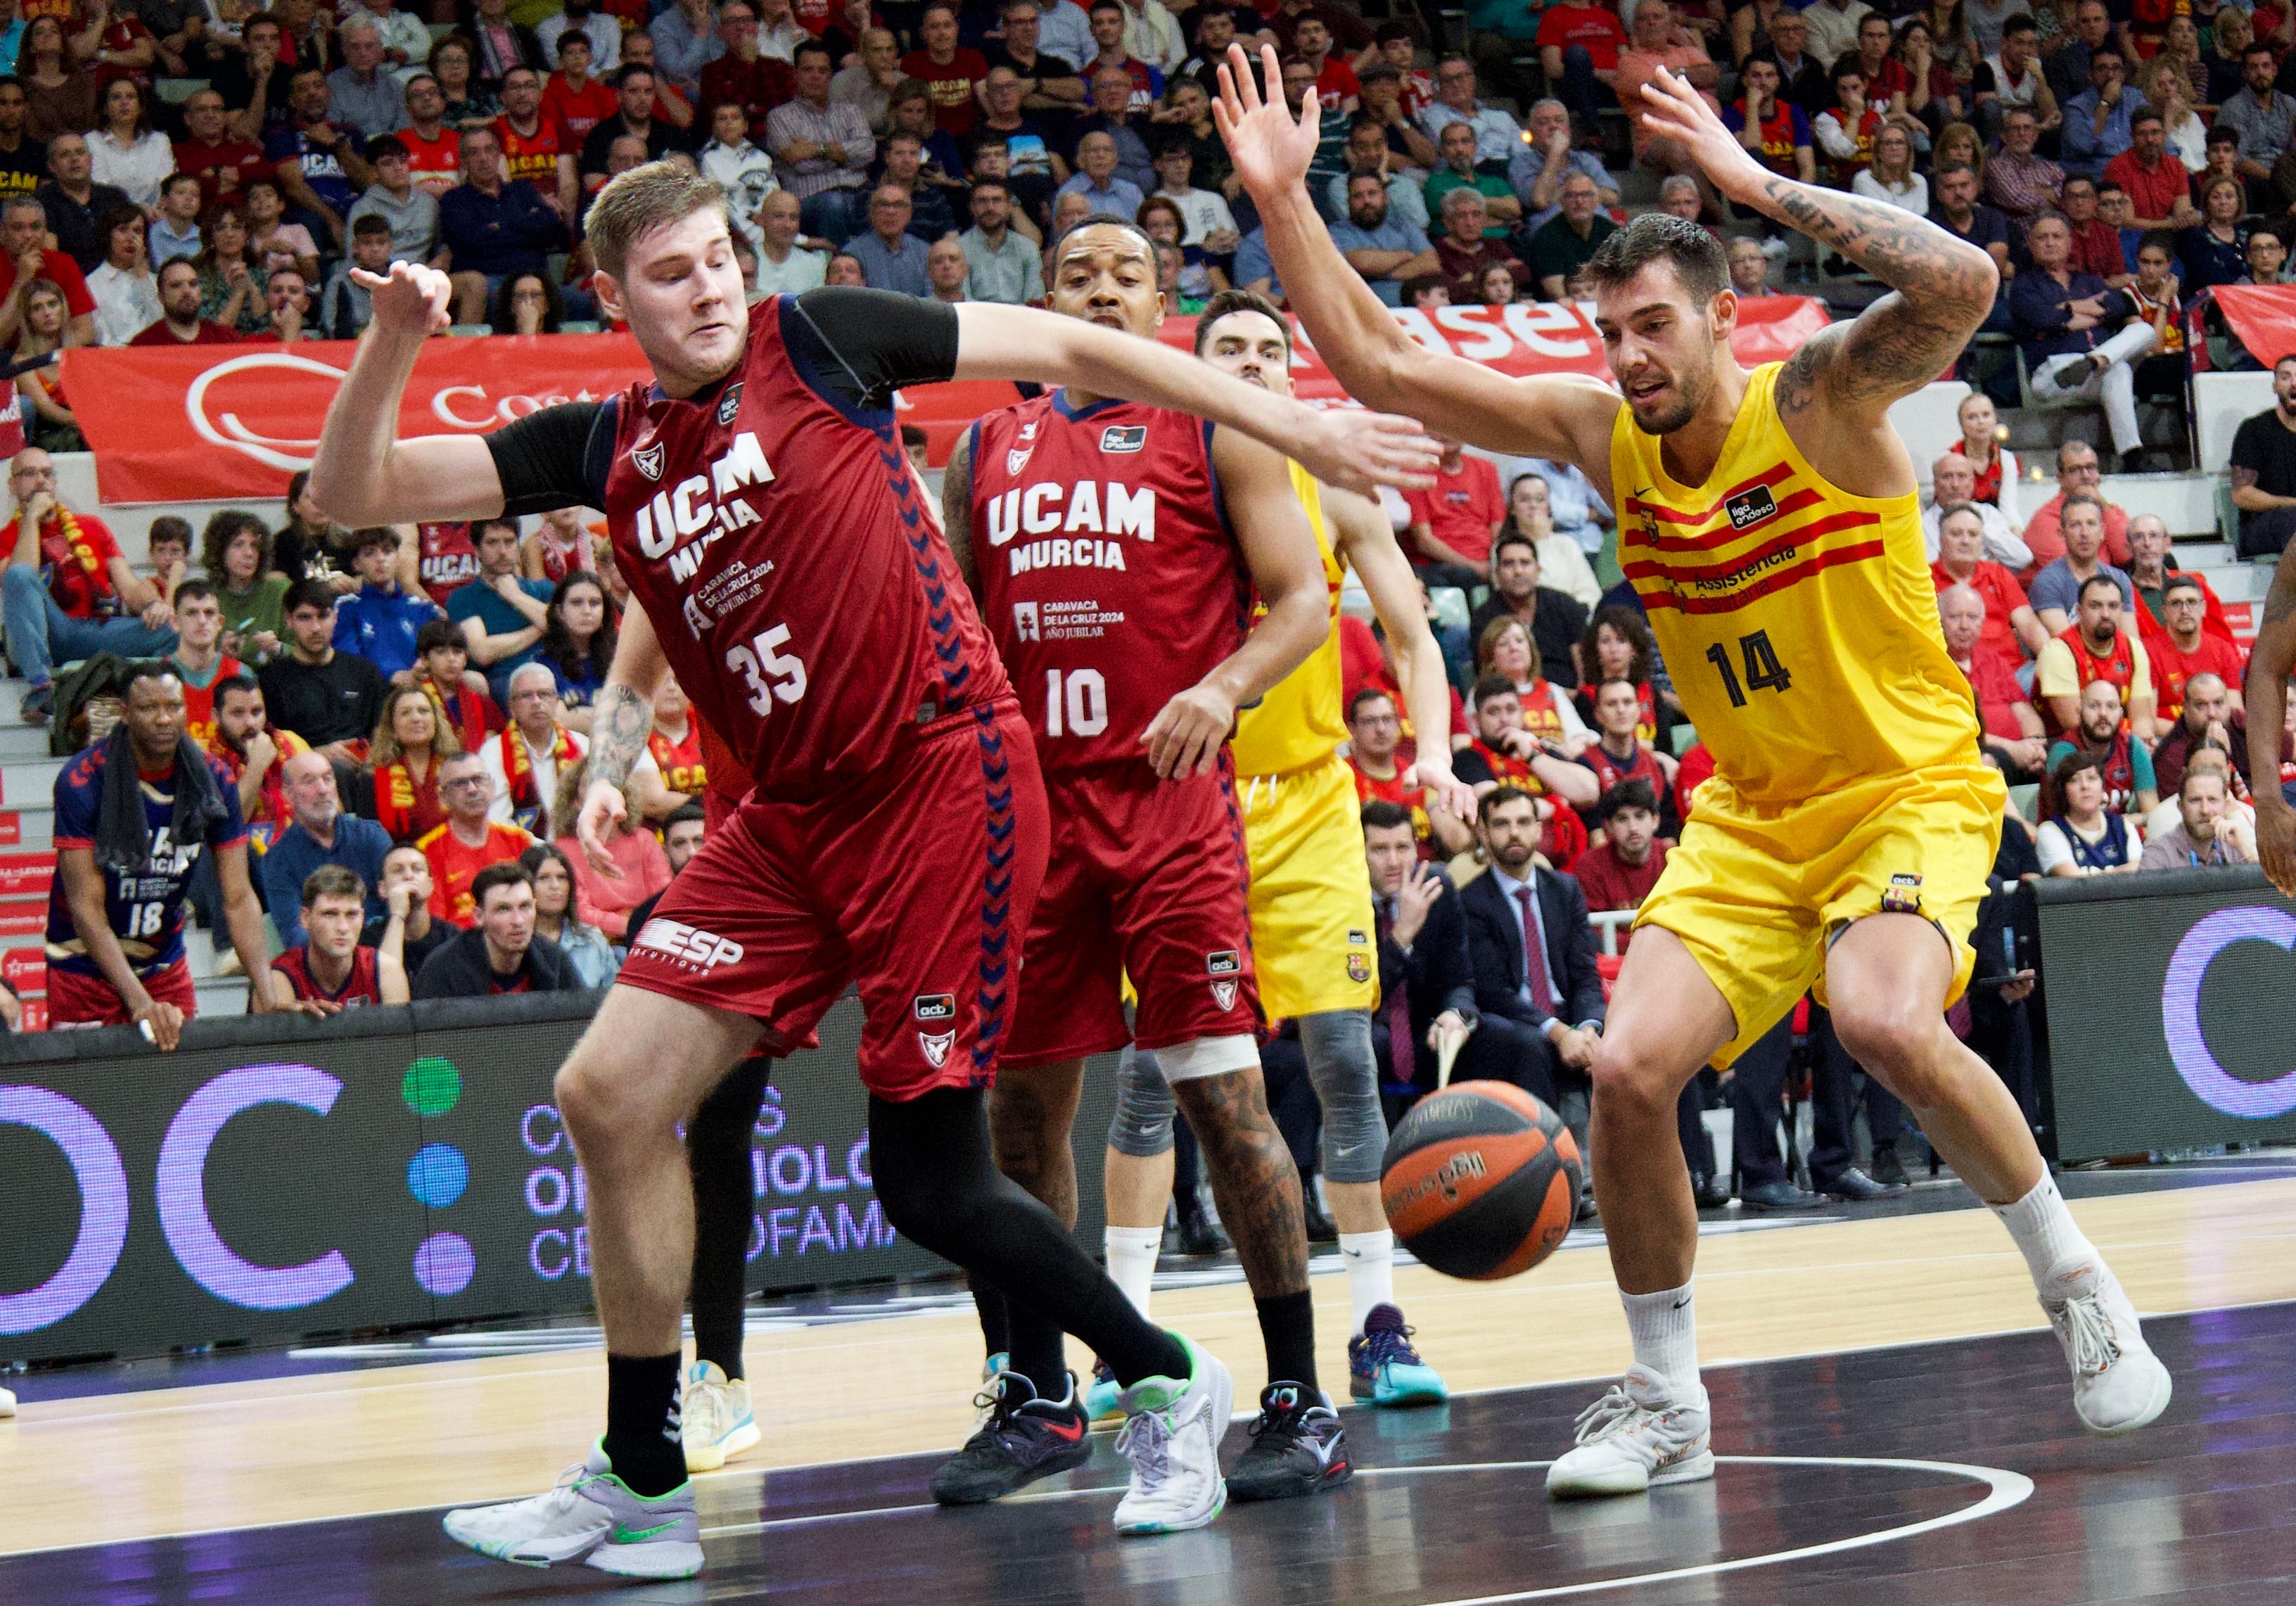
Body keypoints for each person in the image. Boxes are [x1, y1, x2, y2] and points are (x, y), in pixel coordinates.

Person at [309, 160, 1436, 1571]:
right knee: (606, 1092)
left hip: (938, 775)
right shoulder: (604, 444)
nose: (712, 286)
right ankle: (647, 1473)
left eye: (722, 257)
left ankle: (1162, 1374)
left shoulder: (824, 338)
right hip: (789, 817)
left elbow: (1076, 347)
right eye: (673, 273)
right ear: (612, 297)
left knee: (927, 1178)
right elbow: (345, 488)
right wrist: (398, 338)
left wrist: (1286, 416)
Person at [1216, 39, 2174, 1499]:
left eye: (1656, 326)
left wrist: (1744, 177)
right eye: (1612, 333)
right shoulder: (1609, 440)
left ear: (1725, 318)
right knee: (1631, 1073)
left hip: (1906, 787)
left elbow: (1966, 289)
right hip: (1751, 819)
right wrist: (1285, 200)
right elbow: (1383, 362)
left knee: (1883, 1020)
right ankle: (1668, 1399)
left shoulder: (1825, 404)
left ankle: (2075, 1277)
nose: (1631, 358)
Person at [933, 252, 1356, 1500]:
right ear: (1048, 305)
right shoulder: (983, 449)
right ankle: (1035, 1389)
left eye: (1127, 272)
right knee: (1017, 1120)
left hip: (1165, 807)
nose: (1102, 288)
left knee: (1224, 1103)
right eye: (1077, 274)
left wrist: (1220, 686)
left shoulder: (1216, 427)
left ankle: (1296, 1394)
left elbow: (1297, 606)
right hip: (1028, 823)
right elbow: (952, 623)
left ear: (1156, 301)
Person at [1068, 291, 1474, 1438]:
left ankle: (1379, 1322)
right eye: (1227, 350)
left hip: (1304, 803)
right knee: (1152, 1077)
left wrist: (1434, 750)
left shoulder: (1333, 481)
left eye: (1265, 350)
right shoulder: (1142, 471)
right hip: (1179, 796)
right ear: (1187, 367)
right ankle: (1126, 1335)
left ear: (1292, 375)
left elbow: (1408, 634)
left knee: (1341, 1057)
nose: (1249, 363)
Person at [49, 666, 274, 1040]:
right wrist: (141, 1003)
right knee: (89, 1091)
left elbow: (237, 897)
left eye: (173, 706)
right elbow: (85, 907)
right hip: (83, 967)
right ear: (125, 712)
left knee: (183, 1086)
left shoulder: (214, 777)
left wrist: (268, 995)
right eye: (148, 708)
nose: (165, 718)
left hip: (163, 964)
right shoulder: (82, 779)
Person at [1456, 785, 1607, 1137]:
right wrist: (1558, 1033)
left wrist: (1588, 1029)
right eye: (1501, 824)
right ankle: (1550, 1164)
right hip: (1513, 1019)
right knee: (1529, 1046)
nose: (1514, 833)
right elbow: (1492, 991)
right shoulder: (1470, 901)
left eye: (1524, 822)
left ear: (1539, 830)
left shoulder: (1565, 890)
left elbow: (1585, 974)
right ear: (1483, 831)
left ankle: (1691, 1171)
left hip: (1571, 1017)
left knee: (1638, 1035)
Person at [3, 445, 174, 722]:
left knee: (171, 630)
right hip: (44, 633)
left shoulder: (91, 526)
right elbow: (20, 575)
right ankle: (40, 687)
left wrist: (155, 604)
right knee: (18, 575)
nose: (41, 481)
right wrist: (32, 519)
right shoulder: (5, 537)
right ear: (12, 485)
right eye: (30, 474)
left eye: (47, 473)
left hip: (92, 630)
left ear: (55, 482)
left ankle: (151, 696)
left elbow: (129, 589)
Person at [438, 125, 571, 326]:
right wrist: (526, 225)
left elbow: (552, 230)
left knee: (584, 300)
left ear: (499, 155)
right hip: (490, 281)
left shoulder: (522, 190)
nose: (483, 158)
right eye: (474, 153)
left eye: (489, 150)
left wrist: (498, 227)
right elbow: (471, 243)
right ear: (463, 161)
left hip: (534, 278)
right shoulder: (455, 200)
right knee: (516, 298)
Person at [260, 748, 393, 945]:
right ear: (288, 794)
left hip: (382, 953)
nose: (322, 790)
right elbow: (294, 934)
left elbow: (397, 907)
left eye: (328, 779)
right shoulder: (279, 859)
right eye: (309, 781)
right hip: (324, 965)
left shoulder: (371, 836)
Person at [257, 579, 391, 760]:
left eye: (323, 616)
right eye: (305, 617)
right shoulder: (271, 680)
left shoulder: (365, 672)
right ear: (289, 620)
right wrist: (317, 754)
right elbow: (272, 748)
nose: (315, 628)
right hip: (303, 772)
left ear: (335, 617)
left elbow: (384, 735)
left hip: (364, 768)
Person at [412, 858, 585, 995]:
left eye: (525, 907)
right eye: (503, 909)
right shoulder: (443, 969)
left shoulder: (553, 960)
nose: (518, 921)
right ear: (479, 917)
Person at [767, 38, 874, 247]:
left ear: (831, 75)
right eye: (808, 70)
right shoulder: (780, 117)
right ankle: (839, 269)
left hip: (859, 193)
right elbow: (801, 164)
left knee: (886, 203)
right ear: (795, 74)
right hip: (812, 200)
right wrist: (846, 156)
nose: (816, 77)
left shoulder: (849, 111)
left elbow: (868, 152)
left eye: (823, 71)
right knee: (834, 204)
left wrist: (817, 149)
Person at [1348, 687, 1476, 859]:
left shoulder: (1420, 774)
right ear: (1352, 730)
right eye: (1370, 721)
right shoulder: (1342, 778)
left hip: (1429, 871)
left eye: (1387, 719)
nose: (1380, 728)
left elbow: (1457, 839)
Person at [269, 863, 411, 1009]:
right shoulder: (281, 976)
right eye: (329, 914)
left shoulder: (385, 971)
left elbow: (401, 1033)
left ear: (363, 917)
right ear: (305, 918)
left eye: (352, 915)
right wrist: (300, 1024)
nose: (343, 927)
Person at [419, 748, 535, 923]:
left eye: (478, 779)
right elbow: (436, 927)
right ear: (443, 797)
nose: (472, 789)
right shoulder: (426, 851)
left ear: (492, 786)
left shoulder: (520, 840)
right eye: (460, 783)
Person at [2036, 571, 2156, 741]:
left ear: (2122, 610)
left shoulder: (2133, 648)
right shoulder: (2058, 651)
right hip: (2066, 746)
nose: (2106, 614)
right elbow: (2074, 723)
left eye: (2113, 606)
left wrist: (2142, 739)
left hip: (2120, 739)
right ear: (2079, 611)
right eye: (2095, 606)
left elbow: (2142, 717)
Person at [447, 515, 553, 705]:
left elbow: (569, 624)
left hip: (552, 673)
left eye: (509, 542)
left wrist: (516, 596)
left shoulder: (542, 589)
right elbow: (482, 652)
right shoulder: (463, 597)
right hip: (503, 680)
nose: (503, 551)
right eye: (492, 543)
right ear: (477, 550)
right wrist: (542, 626)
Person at [1469, 530, 1591, 687]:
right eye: (1509, 564)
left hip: (1572, 701)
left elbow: (1585, 666)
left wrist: (1574, 698)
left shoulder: (1564, 605)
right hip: (1512, 700)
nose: (1518, 571)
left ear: (1538, 570)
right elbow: (1487, 674)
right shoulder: (1484, 618)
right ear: (1497, 573)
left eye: (1525, 563)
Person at [331, 525, 440, 680]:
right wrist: (393, 676)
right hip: (373, 692)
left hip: (424, 688)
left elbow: (444, 652)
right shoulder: (346, 607)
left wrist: (424, 669)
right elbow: (348, 660)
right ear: (356, 564)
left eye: (388, 552)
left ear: (398, 559)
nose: (381, 559)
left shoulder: (423, 608)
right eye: (370, 554)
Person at [2046, 675, 2159, 817]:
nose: (2103, 714)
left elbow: (2152, 815)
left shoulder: (2133, 747)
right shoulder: (2063, 753)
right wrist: (2128, 822)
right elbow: (2074, 822)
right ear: (2079, 713)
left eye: (2111, 706)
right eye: (2093, 706)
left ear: (2121, 714)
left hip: (2120, 833)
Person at [1576, 678, 1680, 832]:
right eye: (1611, 704)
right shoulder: (1585, 764)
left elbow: (1667, 831)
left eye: (1628, 702)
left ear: (1638, 711)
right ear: (1598, 714)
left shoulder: (1655, 766)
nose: (1621, 710)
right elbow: (1595, 833)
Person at [1403, 435, 1505, 587]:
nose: (1445, 434)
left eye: (1450, 428)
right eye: (1439, 428)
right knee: (1464, 576)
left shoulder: (1487, 469)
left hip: (1486, 561)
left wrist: (1495, 562)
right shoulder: (1415, 472)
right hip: (1439, 564)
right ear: (1428, 431)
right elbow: (1424, 541)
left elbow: (1497, 527)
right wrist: (1475, 566)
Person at [1571, 777, 1673, 928]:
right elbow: (1594, 934)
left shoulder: (1673, 859)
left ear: (1655, 821)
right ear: (1609, 827)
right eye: (1622, 819)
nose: (1633, 828)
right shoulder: (1589, 867)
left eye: (1640, 816)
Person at [2029, 492, 2133, 636]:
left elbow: (2131, 643)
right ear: (2062, 534)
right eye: (2075, 525)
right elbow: (2066, 643)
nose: (2084, 533)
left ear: (2102, 531)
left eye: (2091, 524)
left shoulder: (2119, 580)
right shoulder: (2047, 582)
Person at [2145, 580, 2246, 726]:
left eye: (2191, 602)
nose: (2185, 610)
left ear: (2203, 608)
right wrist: (2194, 737)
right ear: (2165, 612)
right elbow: (2148, 719)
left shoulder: (2223, 649)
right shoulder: (2148, 650)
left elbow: (2235, 711)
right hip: (2168, 737)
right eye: (2176, 603)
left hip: (2217, 734)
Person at [523, 839, 619, 986]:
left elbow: (614, 998)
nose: (555, 886)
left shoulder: (592, 940)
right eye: (543, 878)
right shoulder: (515, 943)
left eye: (562, 877)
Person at [370, 681, 457, 841]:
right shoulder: (372, 777)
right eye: (405, 713)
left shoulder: (455, 769)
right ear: (393, 729)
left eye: (423, 711)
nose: (416, 718)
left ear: (436, 722)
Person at [2229, 354, 2296, 561]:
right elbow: (2241, 494)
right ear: (2274, 386)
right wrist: (2291, 503)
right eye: (2286, 377)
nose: (2294, 384)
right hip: (2262, 526)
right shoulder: (2254, 430)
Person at [2036, 747, 2143, 872]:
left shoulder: (2124, 827)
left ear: (2103, 787)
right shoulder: (2050, 831)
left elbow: (2140, 871)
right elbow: (2074, 881)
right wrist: (2119, 871)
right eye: (2074, 780)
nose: (2085, 786)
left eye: (2091, 778)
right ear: (2064, 791)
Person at [2138, 763, 2252, 870]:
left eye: (2212, 800)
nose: (2205, 810)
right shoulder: (2158, 855)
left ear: (2226, 806)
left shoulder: (2235, 846)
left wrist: (2246, 851)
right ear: (2180, 807)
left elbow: (2263, 889)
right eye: (2195, 800)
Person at [1527, 169, 1617, 302]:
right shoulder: (1546, 236)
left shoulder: (1612, 232)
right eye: (1571, 196)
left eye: (1586, 195)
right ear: (1561, 202)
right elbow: (1555, 289)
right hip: (1565, 309)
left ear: (1597, 201)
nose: (1580, 202)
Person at [365, 841, 454, 975]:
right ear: (382, 889)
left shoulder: (452, 939)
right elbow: (385, 983)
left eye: (417, 869)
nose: (408, 876)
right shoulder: (368, 940)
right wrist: (398, 915)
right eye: (398, 870)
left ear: (431, 885)